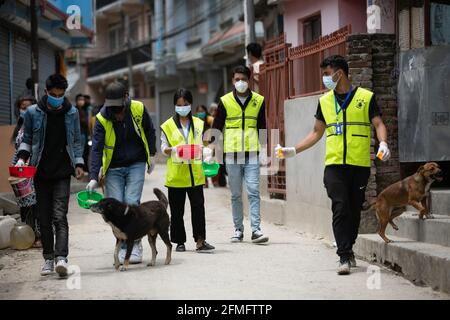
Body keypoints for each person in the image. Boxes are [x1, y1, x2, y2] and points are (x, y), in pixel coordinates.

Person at [276, 55, 391, 275]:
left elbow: (378, 123)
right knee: (340, 206)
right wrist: (293, 150)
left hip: (359, 166)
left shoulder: (365, 98)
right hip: (334, 165)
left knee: (354, 209)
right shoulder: (325, 101)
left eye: (327, 74)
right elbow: (316, 132)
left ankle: (349, 247)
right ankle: (343, 256)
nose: (325, 78)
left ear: (340, 73)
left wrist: (383, 142)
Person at [16, 74, 85, 277]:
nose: (57, 98)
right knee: (43, 218)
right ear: (46, 92)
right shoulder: (32, 113)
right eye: (53, 94)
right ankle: (48, 258)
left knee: (59, 216)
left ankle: (61, 258)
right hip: (40, 172)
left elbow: (76, 141)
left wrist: (79, 163)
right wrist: (22, 158)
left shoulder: (71, 113)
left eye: (61, 95)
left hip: (63, 172)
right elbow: (27, 138)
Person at [87, 81, 157, 264]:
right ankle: (123, 245)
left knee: (132, 203)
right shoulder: (101, 118)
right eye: (113, 108)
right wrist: (94, 176)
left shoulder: (138, 109)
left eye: (119, 107)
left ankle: (135, 244)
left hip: (136, 163)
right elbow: (96, 148)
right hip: (113, 168)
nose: (117, 112)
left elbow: (149, 131)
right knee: (116, 209)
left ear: (126, 97)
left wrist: (153, 154)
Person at [212, 65, 269, 244]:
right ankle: (238, 229)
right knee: (236, 194)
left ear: (249, 80)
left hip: (252, 154)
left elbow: (262, 126)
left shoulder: (258, 100)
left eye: (243, 79)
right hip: (231, 155)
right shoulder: (225, 101)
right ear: (232, 81)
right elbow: (217, 126)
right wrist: (212, 150)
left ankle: (256, 230)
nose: (240, 82)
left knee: (253, 191)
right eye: (237, 79)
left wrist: (264, 150)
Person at [160, 88, 215, 253]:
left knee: (198, 208)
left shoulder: (199, 123)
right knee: (177, 211)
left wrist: (207, 154)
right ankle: (179, 242)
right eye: (179, 105)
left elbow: (205, 143)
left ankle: (200, 241)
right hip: (176, 175)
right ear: (174, 105)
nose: (182, 107)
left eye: (185, 104)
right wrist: (173, 149)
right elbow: (163, 148)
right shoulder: (167, 125)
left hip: (195, 174)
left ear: (191, 104)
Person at [11, 94, 41, 248]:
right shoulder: (19, 126)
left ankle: (39, 236)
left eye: (28, 107)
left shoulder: (37, 124)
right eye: (23, 108)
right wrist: (15, 166)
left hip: (34, 169)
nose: (25, 110)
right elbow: (17, 150)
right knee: (24, 204)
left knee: (35, 204)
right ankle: (28, 236)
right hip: (21, 171)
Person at [75, 94, 90, 173]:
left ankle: (83, 167)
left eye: (83, 100)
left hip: (84, 133)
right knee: (79, 152)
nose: (81, 101)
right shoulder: (75, 111)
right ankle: (79, 167)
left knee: (84, 152)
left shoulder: (85, 110)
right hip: (78, 134)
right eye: (80, 100)